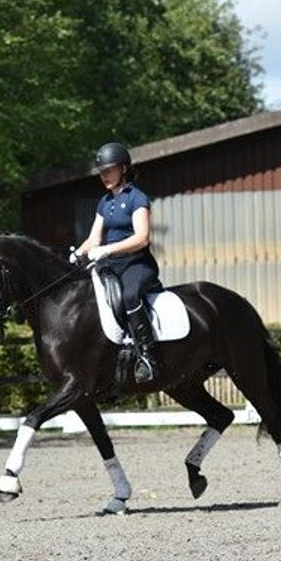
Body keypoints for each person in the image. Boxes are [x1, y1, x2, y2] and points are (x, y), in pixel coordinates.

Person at [70, 142, 163, 384]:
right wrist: (76, 255)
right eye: (101, 172)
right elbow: (93, 238)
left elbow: (142, 238)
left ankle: (147, 357)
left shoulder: (137, 198)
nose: (104, 176)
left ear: (123, 169)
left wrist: (107, 249)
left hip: (137, 264)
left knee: (130, 296)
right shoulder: (105, 202)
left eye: (108, 170)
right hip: (111, 265)